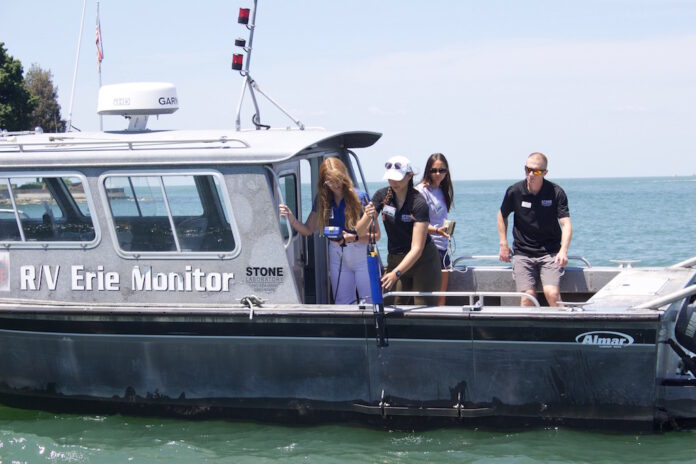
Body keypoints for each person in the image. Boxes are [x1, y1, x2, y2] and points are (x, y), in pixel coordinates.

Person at [279, 157, 379, 304]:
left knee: (370, 301)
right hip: (337, 253)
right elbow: (307, 230)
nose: (336, 184)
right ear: (324, 182)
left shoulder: (360, 197)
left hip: (361, 254)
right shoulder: (321, 200)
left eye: (338, 179)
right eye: (330, 181)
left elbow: (376, 235)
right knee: (342, 302)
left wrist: (354, 238)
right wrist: (291, 218)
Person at [357, 156, 441, 306]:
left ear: (409, 176)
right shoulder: (382, 196)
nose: (393, 182)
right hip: (395, 258)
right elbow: (359, 230)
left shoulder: (419, 203)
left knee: (423, 310)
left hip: (423, 261)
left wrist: (396, 273)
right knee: (390, 307)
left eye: (397, 178)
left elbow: (417, 248)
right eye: (390, 178)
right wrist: (367, 215)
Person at [497, 152, 572, 307]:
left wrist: (563, 250)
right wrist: (503, 244)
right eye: (527, 169)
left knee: (552, 293)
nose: (531, 174)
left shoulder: (556, 192)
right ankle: (527, 330)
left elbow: (565, 224)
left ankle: (561, 329)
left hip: (549, 252)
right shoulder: (514, 191)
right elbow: (501, 215)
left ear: (545, 173)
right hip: (523, 252)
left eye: (536, 171)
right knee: (527, 297)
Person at [415, 153, 454, 306]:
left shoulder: (442, 190)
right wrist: (437, 231)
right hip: (429, 248)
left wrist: (444, 230)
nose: (438, 174)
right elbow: (417, 223)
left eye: (441, 170)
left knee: (441, 296)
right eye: (434, 170)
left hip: (443, 247)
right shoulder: (421, 191)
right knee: (428, 297)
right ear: (427, 171)